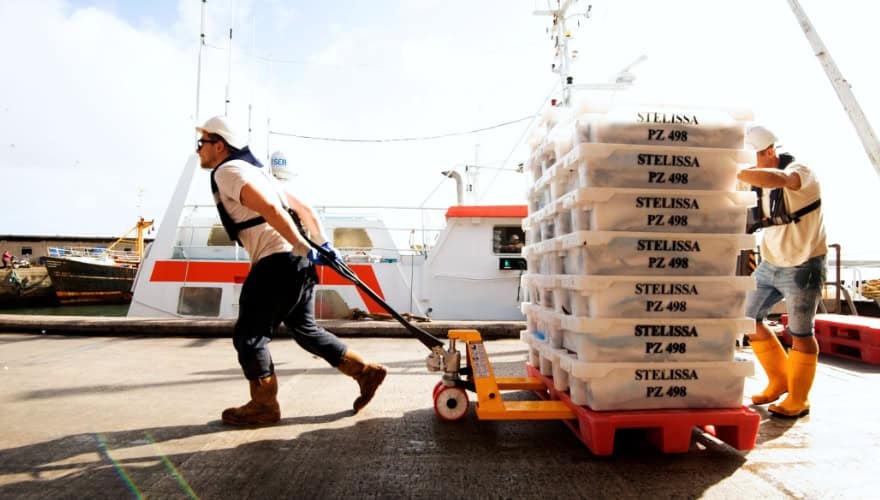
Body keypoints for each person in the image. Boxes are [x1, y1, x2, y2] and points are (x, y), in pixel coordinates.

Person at [196, 115, 388, 426]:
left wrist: (302, 247)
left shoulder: (228, 171)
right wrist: (320, 245)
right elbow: (305, 211)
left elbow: (271, 210)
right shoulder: (260, 173)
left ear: (219, 145)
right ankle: (365, 372)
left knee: (250, 335)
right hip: (297, 261)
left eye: (202, 143)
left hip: (278, 260)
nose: (198, 150)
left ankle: (263, 405)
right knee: (306, 331)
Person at [737, 125, 826, 418]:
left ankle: (799, 399)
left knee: (800, 332)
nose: (749, 166)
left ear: (770, 151)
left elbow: (783, 179)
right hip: (771, 263)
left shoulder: (801, 171)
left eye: (754, 158)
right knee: (747, 320)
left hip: (804, 264)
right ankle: (779, 381)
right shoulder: (752, 178)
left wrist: (735, 172)